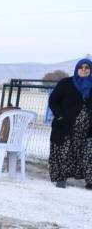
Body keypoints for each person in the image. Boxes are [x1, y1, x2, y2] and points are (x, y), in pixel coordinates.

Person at [48, 58, 92, 189]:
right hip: (65, 125)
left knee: (88, 152)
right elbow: (53, 101)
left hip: (87, 128)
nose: (84, 70)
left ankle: (90, 180)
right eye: (81, 67)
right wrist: (60, 117)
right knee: (64, 151)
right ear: (77, 68)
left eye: (87, 67)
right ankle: (61, 178)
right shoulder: (65, 83)